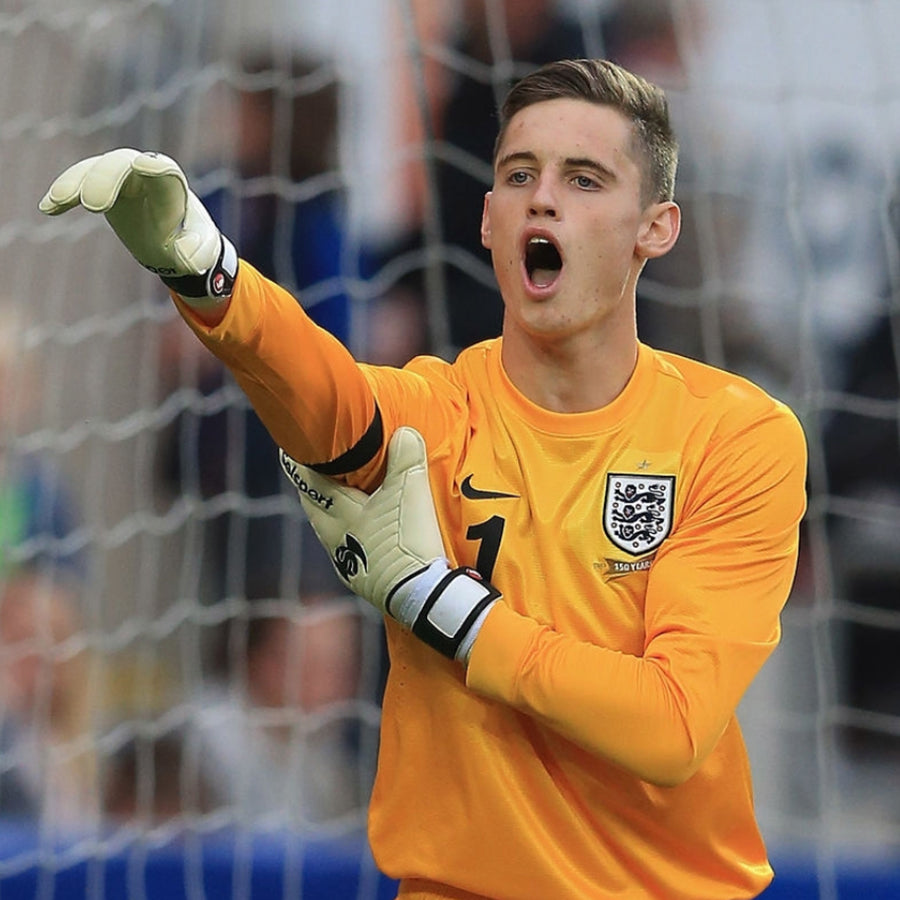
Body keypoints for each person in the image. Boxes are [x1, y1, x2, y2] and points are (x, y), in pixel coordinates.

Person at [40, 57, 807, 899]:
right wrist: (207, 267)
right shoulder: (437, 412)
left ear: (655, 228)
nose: (543, 199)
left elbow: (672, 724)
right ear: (487, 219)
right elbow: (326, 394)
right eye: (520, 175)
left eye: (584, 179)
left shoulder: (735, 436)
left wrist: (439, 604)